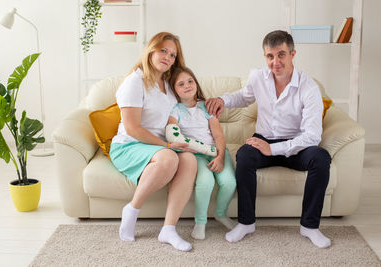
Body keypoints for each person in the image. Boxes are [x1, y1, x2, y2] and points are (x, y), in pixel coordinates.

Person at [206, 30, 332, 248]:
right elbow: (243, 97)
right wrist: (222, 100)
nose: (275, 62)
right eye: (270, 56)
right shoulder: (258, 77)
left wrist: (272, 150)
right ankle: (246, 223)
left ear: (293, 54)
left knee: (321, 158)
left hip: (297, 146)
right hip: (264, 139)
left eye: (281, 54)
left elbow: (312, 136)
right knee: (244, 155)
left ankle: (310, 227)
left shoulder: (308, 87)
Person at [109, 32, 197, 252]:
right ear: (151, 50)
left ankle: (168, 229)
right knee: (169, 158)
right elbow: (132, 128)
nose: (168, 57)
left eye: (173, 55)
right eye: (163, 51)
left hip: (154, 146)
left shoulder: (167, 83)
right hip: (128, 145)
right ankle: (131, 210)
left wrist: (213, 102)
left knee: (189, 160)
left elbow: (190, 100)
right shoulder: (135, 81)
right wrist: (167, 147)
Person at [166, 67, 237, 240]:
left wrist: (220, 156)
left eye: (190, 81)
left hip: (216, 151)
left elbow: (218, 134)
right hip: (195, 155)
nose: (188, 86)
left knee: (229, 182)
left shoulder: (206, 106)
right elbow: (172, 133)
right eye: (181, 84)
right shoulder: (174, 110)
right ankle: (200, 222)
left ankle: (220, 214)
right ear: (174, 89)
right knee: (205, 182)